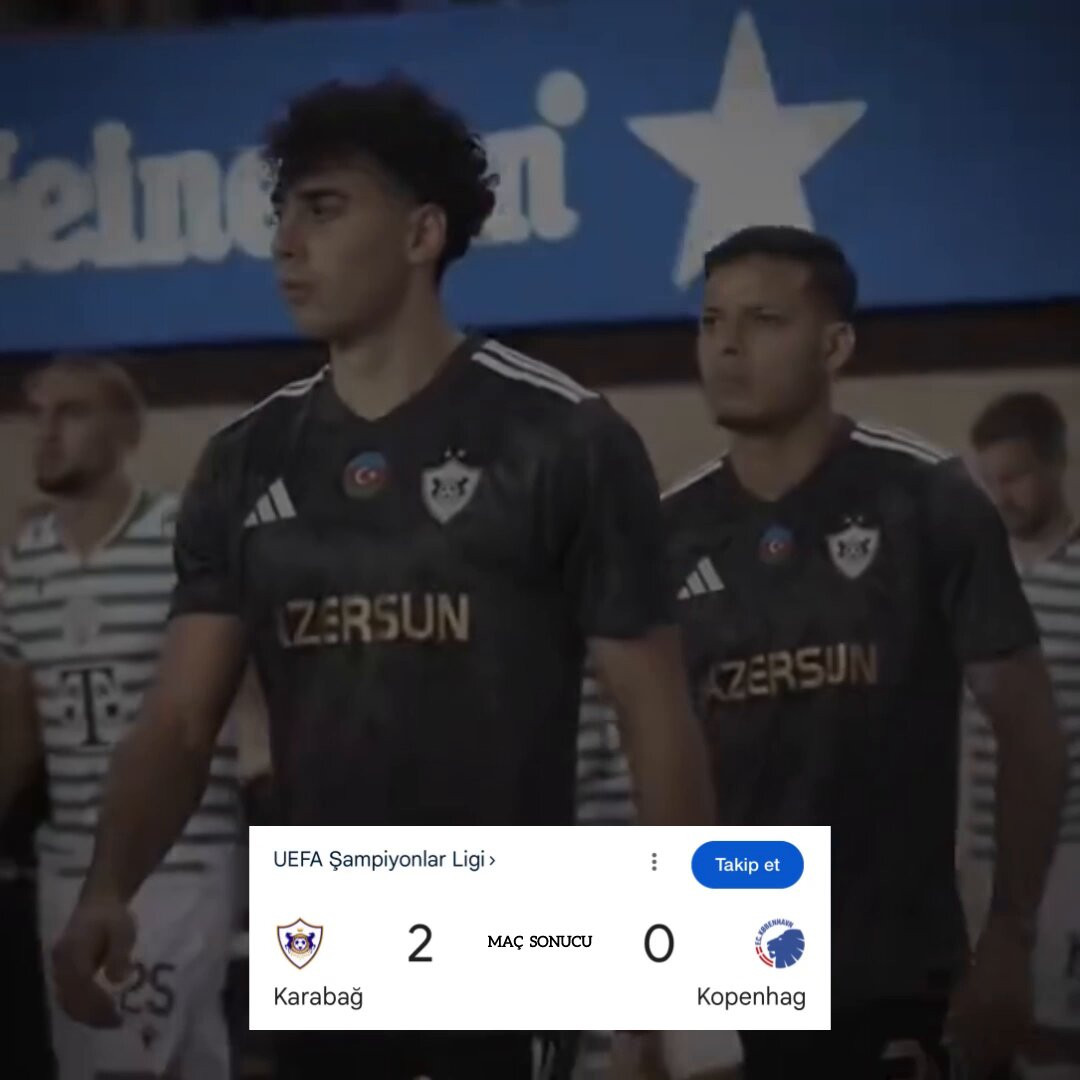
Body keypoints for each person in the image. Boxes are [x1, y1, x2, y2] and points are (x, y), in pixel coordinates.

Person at [50, 77, 715, 1080]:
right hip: (324, 938)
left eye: (323, 209)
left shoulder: (564, 435)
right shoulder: (245, 458)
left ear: (421, 233)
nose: (286, 243)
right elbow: (183, 721)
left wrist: (691, 990)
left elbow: (654, 712)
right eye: (282, 213)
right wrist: (108, 885)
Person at [589, 225, 1067, 1079]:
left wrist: (1010, 934)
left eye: (764, 320)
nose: (727, 345)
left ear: (835, 344)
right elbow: (649, 781)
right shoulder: (665, 534)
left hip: (896, 974)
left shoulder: (930, 500)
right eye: (711, 321)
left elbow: (1030, 733)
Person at [0, 357, 240, 1080]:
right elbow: (19, 724)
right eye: (39, 414)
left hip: (177, 859)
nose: (47, 432)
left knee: (125, 1060)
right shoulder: (25, 562)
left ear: (125, 431)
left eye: (71, 413)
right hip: (67, 866)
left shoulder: (183, 539)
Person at [960, 392, 1080, 1078]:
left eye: (1016, 477)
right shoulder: (976, 579)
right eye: (990, 480)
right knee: (979, 1040)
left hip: (1069, 852)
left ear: (1057, 464)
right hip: (979, 851)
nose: (1001, 496)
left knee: (1053, 1042)